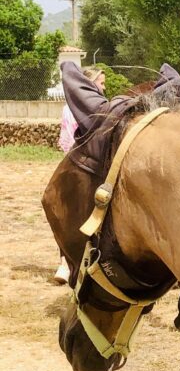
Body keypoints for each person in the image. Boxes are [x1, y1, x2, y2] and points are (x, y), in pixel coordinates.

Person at [54, 65, 107, 283]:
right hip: (82, 167)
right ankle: (65, 264)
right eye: (102, 83)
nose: (104, 88)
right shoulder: (76, 109)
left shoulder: (100, 107)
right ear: (90, 83)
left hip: (88, 166)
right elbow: (69, 140)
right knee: (69, 215)